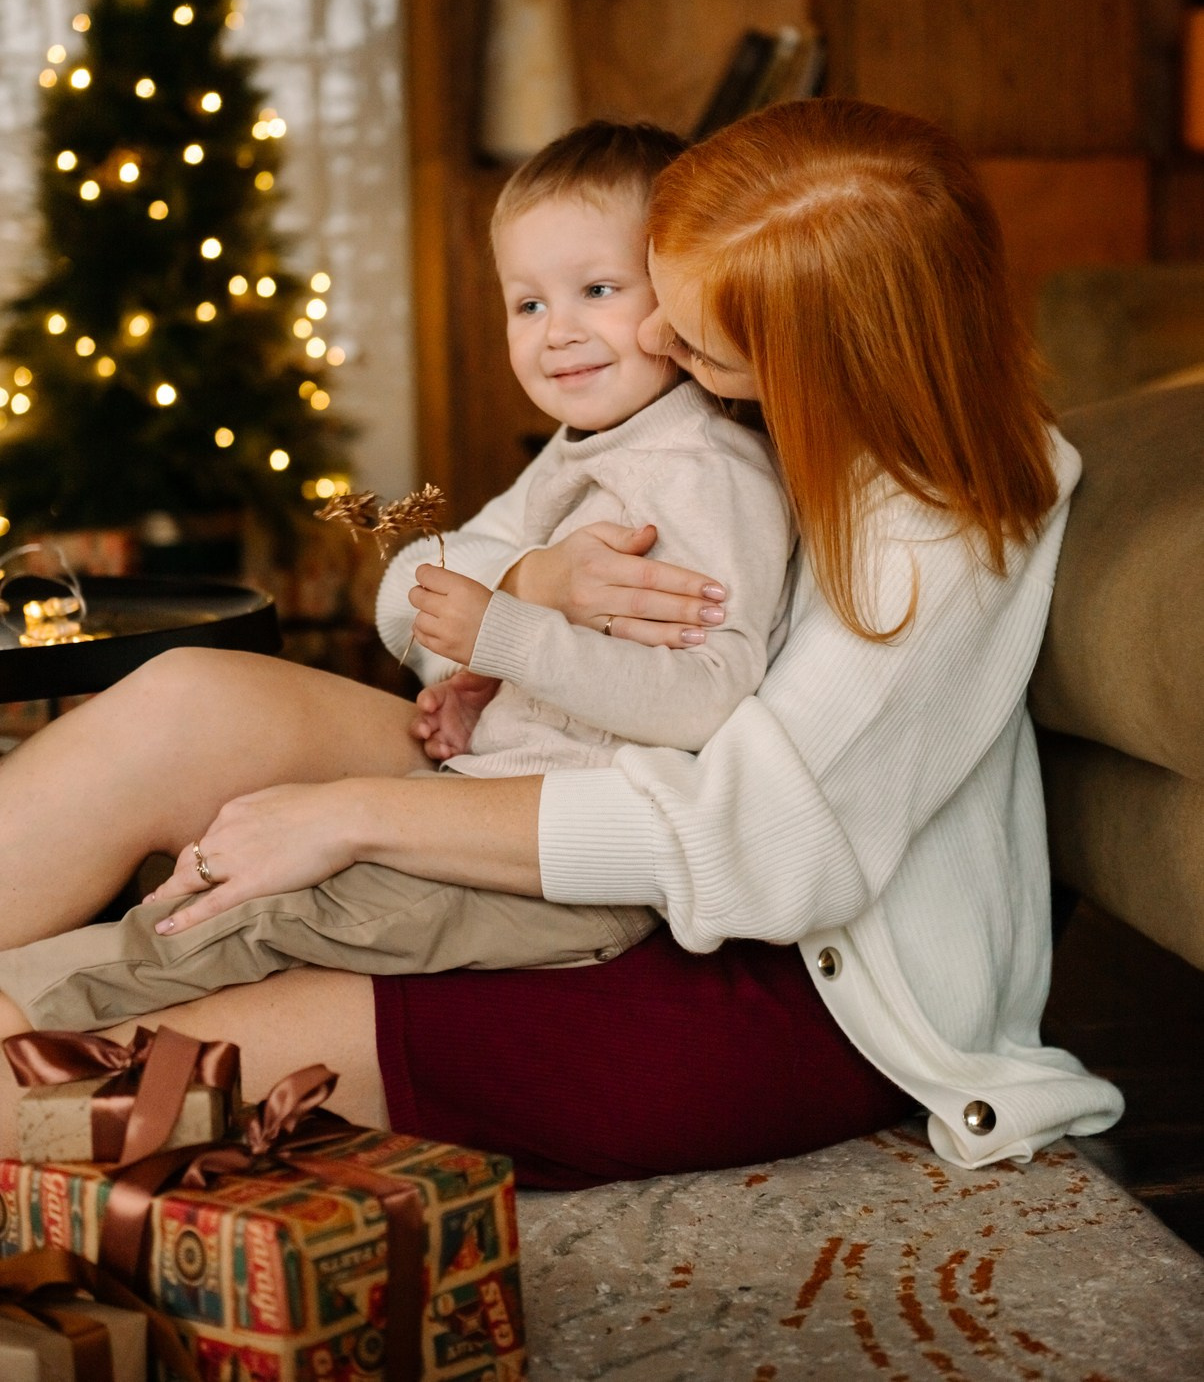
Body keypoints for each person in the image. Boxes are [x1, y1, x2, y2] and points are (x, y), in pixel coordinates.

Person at [0, 99, 1123, 1188]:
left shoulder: (934, 528)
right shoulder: (707, 401)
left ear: (824, 351)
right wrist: (532, 586)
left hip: (778, 982)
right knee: (188, 697)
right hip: (568, 777)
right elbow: (427, 602)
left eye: (694, 336)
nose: (646, 339)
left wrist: (346, 815)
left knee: (121, 1062)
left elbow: (757, 849)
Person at [0, 122, 794, 1030]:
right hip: (481, 800)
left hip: (572, 870)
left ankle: (32, 1022)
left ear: (680, 295)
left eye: (598, 291)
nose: (557, 333)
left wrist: (504, 634)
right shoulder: (586, 451)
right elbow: (421, 590)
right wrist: (499, 646)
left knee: (234, 915)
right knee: (216, 880)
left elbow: (702, 704)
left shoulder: (705, 475)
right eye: (526, 305)